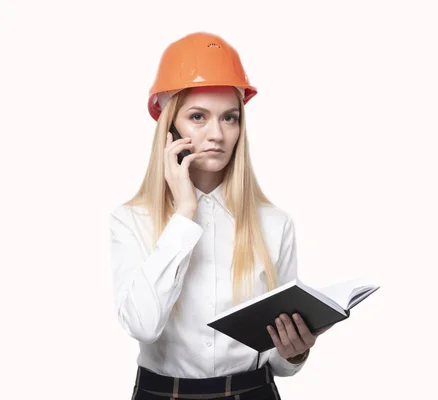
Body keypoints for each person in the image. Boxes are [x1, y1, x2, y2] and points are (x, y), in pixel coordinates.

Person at [109, 32, 329, 400]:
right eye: (198, 117)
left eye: (229, 118)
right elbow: (143, 326)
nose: (217, 134)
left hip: (253, 391)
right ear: (170, 127)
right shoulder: (132, 220)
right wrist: (184, 213)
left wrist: (296, 351)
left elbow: (278, 361)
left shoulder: (275, 224)